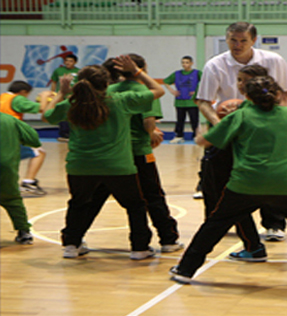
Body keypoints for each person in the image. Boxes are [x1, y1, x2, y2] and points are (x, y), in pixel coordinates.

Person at [170, 76, 287, 289]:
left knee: (214, 226)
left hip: (247, 183)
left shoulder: (239, 116)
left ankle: (185, 270)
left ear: (246, 96)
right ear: (278, 94)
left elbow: (205, 142)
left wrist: (201, 133)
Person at [42, 55, 164, 260]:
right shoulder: (120, 101)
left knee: (79, 204)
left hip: (80, 166)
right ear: (107, 83)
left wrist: (62, 93)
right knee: (135, 205)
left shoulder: (72, 104)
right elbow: (158, 91)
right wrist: (137, 71)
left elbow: (47, 114)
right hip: (117, 166)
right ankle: (139, 248)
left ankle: (71, 245)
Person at [195, 22, 287, 254]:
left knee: (266, 176)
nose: (237, 45)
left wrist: (281, 121)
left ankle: (274, 224)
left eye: (243, 41)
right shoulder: (215, 64)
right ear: (227, 39)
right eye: (233, 40)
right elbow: (203, 101)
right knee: (214, 177)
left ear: (253, 40)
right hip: (229, 128)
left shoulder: (273, 61)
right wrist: (222, 127)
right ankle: (219, 222)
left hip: (263, 127)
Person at [76, 54, 182, 253]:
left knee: (96, 198)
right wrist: (152, 134)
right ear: (141, 68)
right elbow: (148, 123)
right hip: (139, 152)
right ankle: (168, 240)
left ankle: (75, 239)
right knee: (153, 196)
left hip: (114, 154)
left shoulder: (110, 90)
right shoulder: (145, 90)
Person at [0, 80, 51, 195]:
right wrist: (45, 96)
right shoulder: (17, 99)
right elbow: (42, 108)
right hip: (10, 135)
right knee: (39, 153)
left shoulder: (3, 97)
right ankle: (28, 182)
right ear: (23, 92)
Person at [0, 112, 42, 245]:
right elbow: (33, 140)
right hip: (7, 168)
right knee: (12, 199)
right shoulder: (9, 119)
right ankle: (24, 232)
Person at [163, 56, 202, 144]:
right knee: (180, 120)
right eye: (183, 62)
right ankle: (179, 135)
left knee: (194, 120)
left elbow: (205, 81)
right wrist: (172, 91)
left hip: (192, 102)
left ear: (191, 63)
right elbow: (166, 81)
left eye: (187, 62)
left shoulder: (197, 73)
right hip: (180, 101)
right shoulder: (177, 74)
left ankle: (196, 136)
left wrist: (197, 91)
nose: (184, 64)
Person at [50, 54, 79, 142]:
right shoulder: (58, 70)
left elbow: (80, 84)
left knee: (73, 115)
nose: (68, 62)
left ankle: (74, 134)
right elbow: (54, 82)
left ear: (75, 62)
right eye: (66, 60)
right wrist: (53, 94)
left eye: (70, 61)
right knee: (62, 114)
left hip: (73, 97)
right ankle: (64, 134)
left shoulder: (79, 71)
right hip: (61, 96)